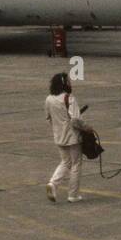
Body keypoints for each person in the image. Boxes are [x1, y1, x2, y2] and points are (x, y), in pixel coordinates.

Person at [45, 72, 86, 203]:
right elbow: (75, 120)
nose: (70, 83)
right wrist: (86, 128)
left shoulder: (49, 99)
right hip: (72, 137)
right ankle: (73, 195)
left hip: (58, 136)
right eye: (68, 81)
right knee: (76, 164)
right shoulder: (69, 98)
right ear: (64, 84)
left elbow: (48, 118)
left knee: (65, 162)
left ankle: (53, 183)